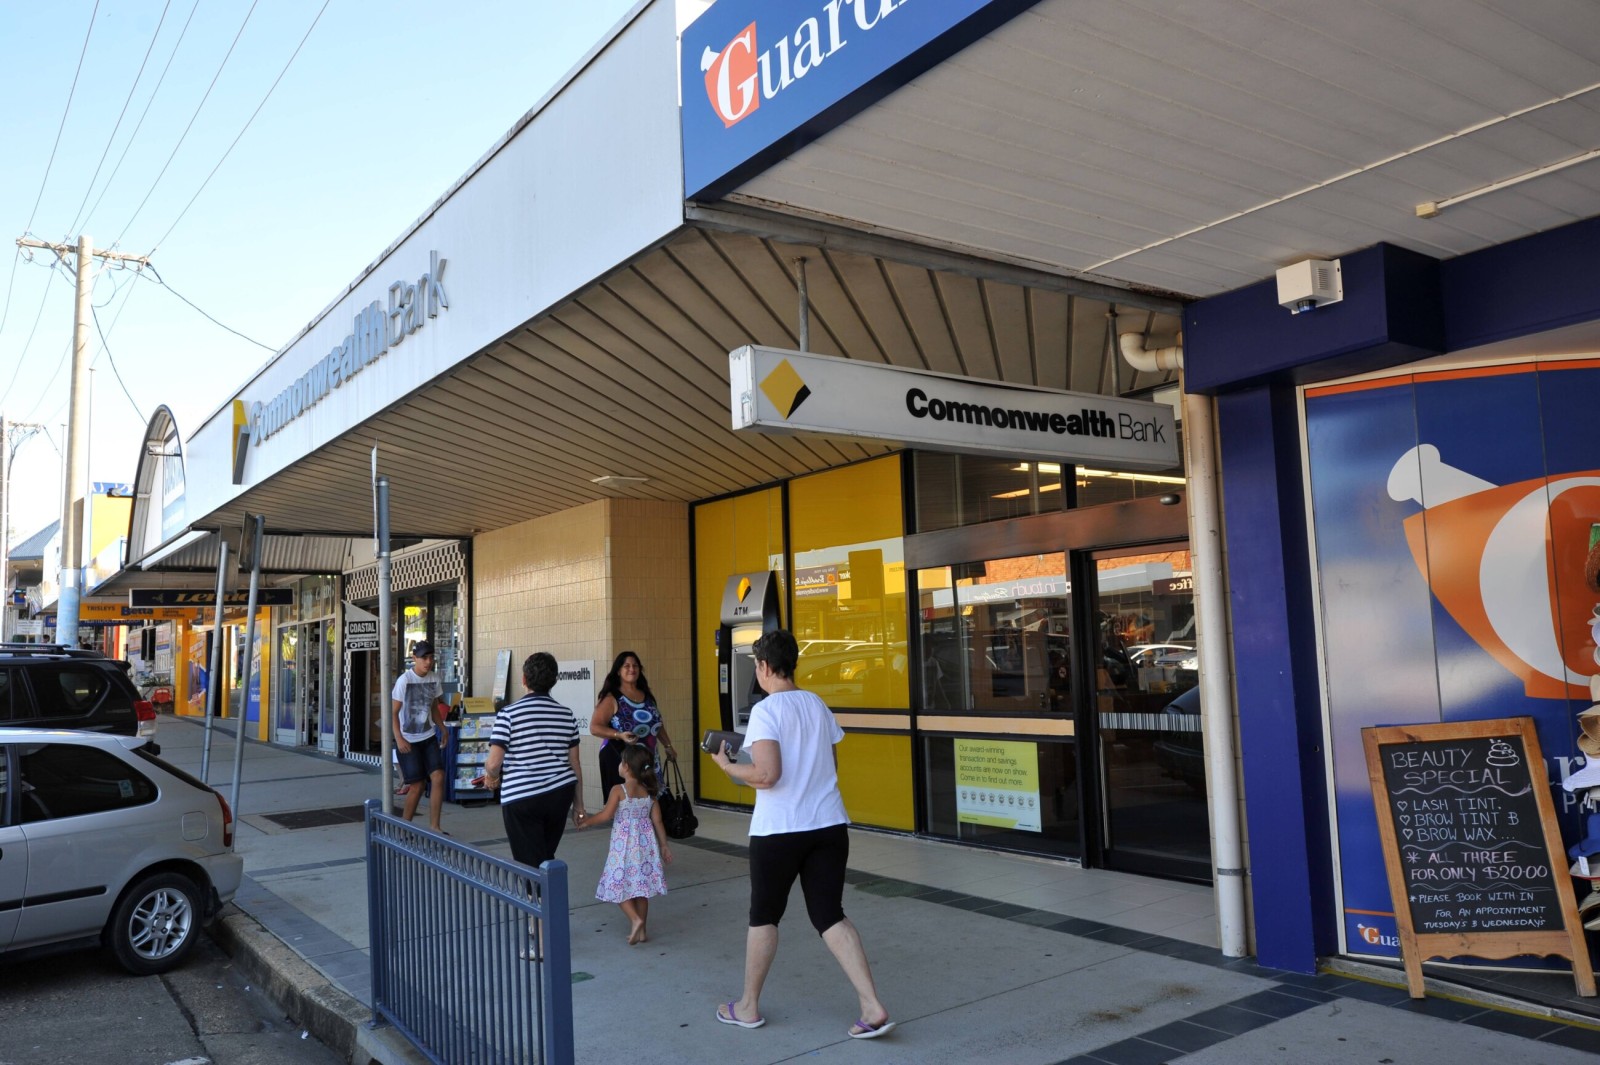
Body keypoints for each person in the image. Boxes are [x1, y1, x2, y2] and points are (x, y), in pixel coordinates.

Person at [709, 628, 894, 1040]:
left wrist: (727, 766)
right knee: (830, 915)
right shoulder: (817, 704)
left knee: (764, 916)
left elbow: (766, 775)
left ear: (763, 666)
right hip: (828, 825)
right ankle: (871, 1005)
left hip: (780, 830)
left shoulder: (766, 711)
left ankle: (748, 1007)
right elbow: (831, 765)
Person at [481, 652, 585, 961]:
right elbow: (575, 764)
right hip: (559, 796)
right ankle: (535, 921)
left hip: (522, 799)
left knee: (532, 871)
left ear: (524, 679)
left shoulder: (509, 714)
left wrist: (490, 778)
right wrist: (579, 805)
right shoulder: (566, 714)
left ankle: (542, 943)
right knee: (544, 860)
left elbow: (494, 762)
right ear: (554, 681)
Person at [578, 744, 672, 945]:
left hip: (623, 849)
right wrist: (664, 846)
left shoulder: (618, 790)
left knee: (615, 883)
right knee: (641, 889)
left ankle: (635, 919)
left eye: (621, 761)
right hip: (645, 848)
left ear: (627, 766)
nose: (619, 765)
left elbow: (606, 815)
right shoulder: (649, 792)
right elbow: (658, 821)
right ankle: (642, 932)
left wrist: (587, 822)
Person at [589, 651, 677, 800]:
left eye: (635, 666)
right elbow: (595, 727)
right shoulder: (612, 697)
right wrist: (619, 735)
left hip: (648, 758)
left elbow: (657, 724)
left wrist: (668, 746)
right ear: (618, 671)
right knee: (625, 804)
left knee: (650, 801)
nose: (632, 669)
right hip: (621, 759)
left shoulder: (647, 696)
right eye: (627, 666)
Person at [392, 639, 451, 833]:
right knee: (417, 785)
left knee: (439, 776)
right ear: (414, 658)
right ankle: (404, 828)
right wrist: (399, 738)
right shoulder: (405, 680)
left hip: (428, 736)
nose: (428, 661)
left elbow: (433, 706)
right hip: (408, 739)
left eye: (431, 657)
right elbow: (393, 713)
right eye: (424, 658)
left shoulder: (434, 678)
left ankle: (435, 827)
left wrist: (442, 728)